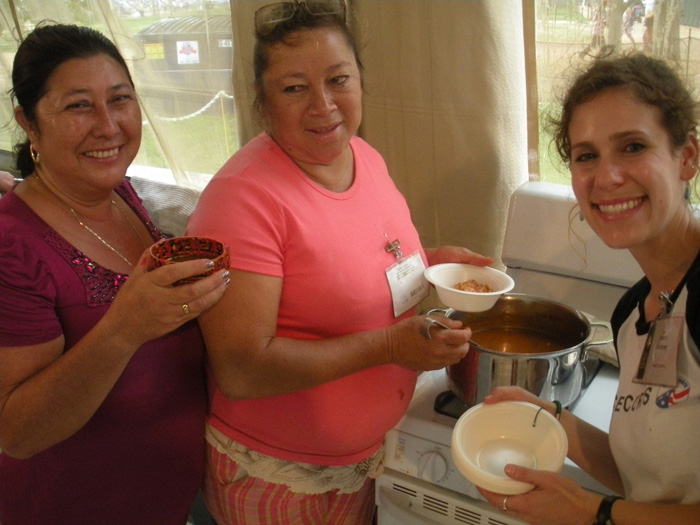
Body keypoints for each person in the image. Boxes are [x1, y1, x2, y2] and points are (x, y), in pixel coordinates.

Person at [186, 0, 492, 522]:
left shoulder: (363, 158)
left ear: (361, 82)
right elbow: (242, 368)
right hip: (276, 474)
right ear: (262, 101)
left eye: (338, 79)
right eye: (294, 88)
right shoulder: (243, 198)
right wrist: (392, 345)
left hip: (361, 461)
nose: (323, 105)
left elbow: (365, 267)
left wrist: (438, 264)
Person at [0, 23, 230, 524]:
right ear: (29, 123)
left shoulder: (118, 194)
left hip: (165, 500)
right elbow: (16, 432)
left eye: (120, 99)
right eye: (78, 105)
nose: (109, 126)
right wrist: (124, 329)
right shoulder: (11, 245)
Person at [477, 52, 700, 524]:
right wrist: (552, 420)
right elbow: (649, 479)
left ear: (688, 158)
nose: (607, 177)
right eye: (587, 156)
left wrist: (593, 513)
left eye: (634, 147)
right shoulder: (633, 314)